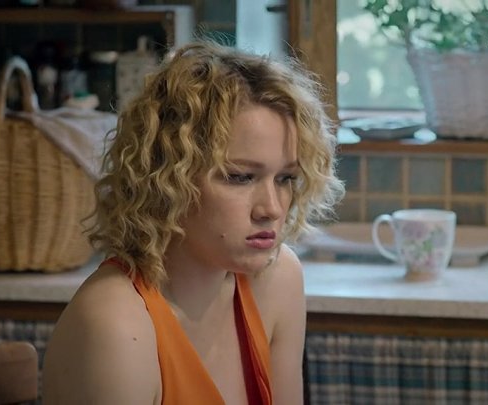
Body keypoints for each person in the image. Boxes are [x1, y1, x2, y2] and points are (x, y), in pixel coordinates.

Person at [42, 41, 344, 405]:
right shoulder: (115, 324)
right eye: (239, 177)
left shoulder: (277, 279)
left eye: (285, 179)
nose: (272, 209)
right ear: (168, 179)